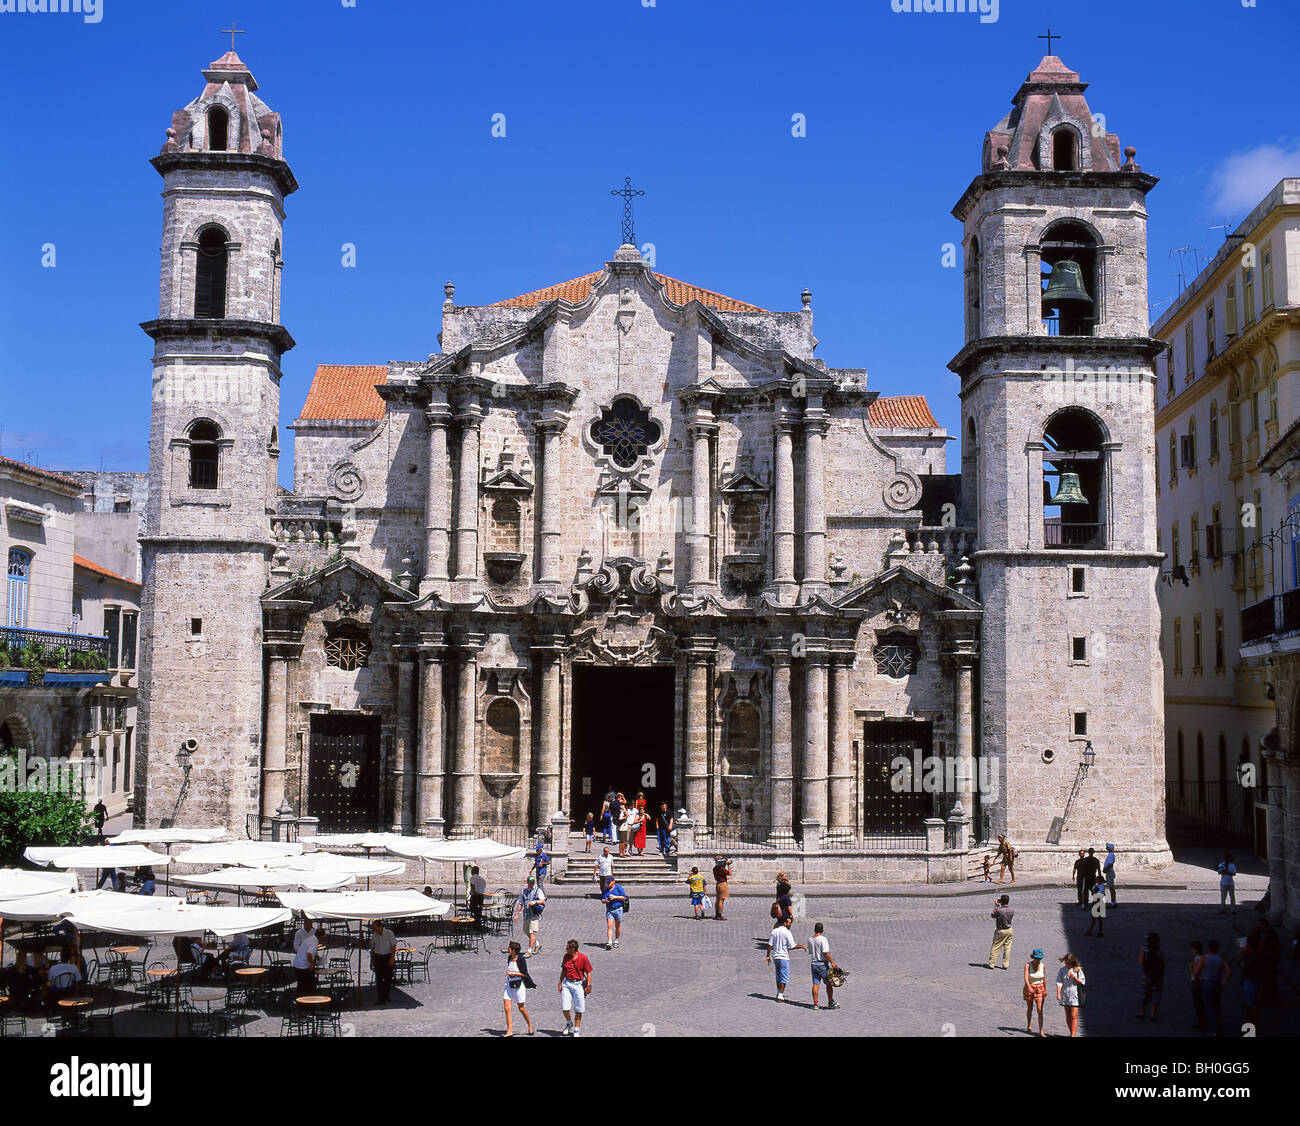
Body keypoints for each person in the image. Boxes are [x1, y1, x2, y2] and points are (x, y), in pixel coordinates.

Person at [558, 938, 593, 1037]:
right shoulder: (566, 957)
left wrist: (589, 985)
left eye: (567, 948)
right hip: (567, 984)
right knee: (565, 1008)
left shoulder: (583, 958)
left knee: (579, 1009)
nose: (566, 949)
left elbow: (589, 972)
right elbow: (564, 970)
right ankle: (569, 1022)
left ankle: (576, 1030)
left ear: (573, 949)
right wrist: (560, 982)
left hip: (578, 985)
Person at [766, 915, 804, 1001]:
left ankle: (778, 991)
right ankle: (780, 995)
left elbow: (770, 945)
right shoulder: (787, 932)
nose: (789, 924)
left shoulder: (774, 931)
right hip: (784, 957)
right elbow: (792, 946)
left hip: (776, 956)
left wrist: (768, 956)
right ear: (784, 923)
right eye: (788, 923)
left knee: (778, 975)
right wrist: (802, 946)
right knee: (784, 976)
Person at [502, 940, 533, 1036]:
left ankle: (530, 1025)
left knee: (521, 1008)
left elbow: (524, 974)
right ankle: (509, 1031)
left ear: (514, 950)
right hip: (509, 984)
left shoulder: (521, 960)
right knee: (507, 1008)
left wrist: (513, 973)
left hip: (519, 985)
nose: (508, 949)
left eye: (510, 948)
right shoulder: (509, 958)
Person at [1201, 939, 1230, 1036]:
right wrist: (1224, 982)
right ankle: (1218, 1027)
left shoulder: (1205, 958)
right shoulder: (1221, 958)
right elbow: (1229, 971)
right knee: (1217, 1006)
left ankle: (1213, 1029)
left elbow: (1197, 971)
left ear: (1208, 948)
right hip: (1217, 984)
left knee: (1209, 1007)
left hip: (1207, 983)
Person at [514, 874, 546, 957]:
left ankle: (529, 950)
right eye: (530, 882)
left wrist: (535, 902)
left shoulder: (537, 890)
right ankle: (537, 945)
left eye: (532, 882)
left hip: (534, 914)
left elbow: (543, 901)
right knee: (526, 931)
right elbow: (520, 903)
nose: (531, 884)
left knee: (532, 932)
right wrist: (516, 914)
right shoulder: (523, 891)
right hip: (526, 914)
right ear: (527, 882)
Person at [809, 922, 839, 1010]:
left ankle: (815, 1003)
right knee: (829, 984)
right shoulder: (823, 939)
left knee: (815, 984)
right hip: (823, 964)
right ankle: (830, 1002)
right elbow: (826, 952)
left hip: (814, 963)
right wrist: (832, 962)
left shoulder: (810, 939)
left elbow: (811, 952)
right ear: (822, 930)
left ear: (814, 930)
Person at [1055, 954, 1085, 1037]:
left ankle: (1073, 1035)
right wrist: (1058, 993)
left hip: (1075, 995)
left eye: (1068, 963)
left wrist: (1074, 977)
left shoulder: (1078, 970)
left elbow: (1082, 983)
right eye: (1065, 962)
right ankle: (1071, 1032)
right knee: (1068, 1015)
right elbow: (1059, 982)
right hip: (1065, 995)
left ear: (1072, 963)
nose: (1066, 964)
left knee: (1074, 1015)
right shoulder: (1062, 970)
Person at [1137, 931, 1164, 1021]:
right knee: (1156, 994)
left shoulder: (1144, 949)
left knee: (1144, 992)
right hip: (1157, 975)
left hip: (1146, 974)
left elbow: (1140, 961)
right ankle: (1153, 1014)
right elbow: (1163, 965)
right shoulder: (1160, 952)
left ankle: (1142, 1012)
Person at [370, 919, 396, 1005]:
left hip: (387, 956)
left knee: (388, 977)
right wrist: (372, 960)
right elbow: (373, 948)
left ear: (380, 926)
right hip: (378, 957)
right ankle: (380, 997)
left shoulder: (389, 933)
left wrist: (392, 958)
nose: (374, 930)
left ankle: (386, 994)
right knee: (379, 978)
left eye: (375, 928)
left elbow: (393, 946)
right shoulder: (374, 935)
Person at [1023, 948, 1047, 1035]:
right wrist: (1029, 987)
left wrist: (1045, 989)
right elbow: (1026, 978)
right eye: (1036, 958)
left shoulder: (1043, 966)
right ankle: (1029, 1025)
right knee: (1030, 1008)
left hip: (1040, 988)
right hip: (1030, 986)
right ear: (1033, 957)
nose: (1038, 960)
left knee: (1040, 1009)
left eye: (1039, 958)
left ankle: (1041, 1030)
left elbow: (1044, 978)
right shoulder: (1028, 965)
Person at [987, 893, 1014, 969]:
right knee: (1007, 948)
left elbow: (993, 915)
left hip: (1001, 930)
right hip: (1009, 929)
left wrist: (996, 905)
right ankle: (1005, 964)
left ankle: (992, 963)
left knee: (995, 947)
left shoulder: (1000, 910)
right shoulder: (1012, 909)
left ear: (1001, 901)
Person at [1188, 941, 1210, 1031]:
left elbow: (1196, 973)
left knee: (1198, 1003)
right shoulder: (1203, 958)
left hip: (1197, 983)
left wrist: (1190, 969)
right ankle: (1205, 1021)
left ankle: (1202, 1022)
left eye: (1192, 948)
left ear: (1196, 949)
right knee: (1202, 1003)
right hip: (1202, 982)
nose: (1191, 950)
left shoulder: (1197, 959)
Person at [602, 878, 628, 950]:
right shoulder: (606, 890)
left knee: (617, 926)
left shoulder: (618, 888)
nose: (608, 884)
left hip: (618, 909)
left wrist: (615, 897)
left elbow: (624, 897)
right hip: (610, 909)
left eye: (609, 882)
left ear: (613, 882)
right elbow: (602, 900)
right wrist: (605, 900)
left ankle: (616, 940)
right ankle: (609, 942)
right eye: (607, 882)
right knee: (610, 926)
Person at [292, 927, 317, 994]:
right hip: (302, 965)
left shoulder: (311, 936)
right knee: (307, 986)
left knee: (302, 985)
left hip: (299, 963)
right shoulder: (314, 941)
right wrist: (312, 963)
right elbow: (308, 954)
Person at [712, 855, 732, 921]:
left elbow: (721, 875)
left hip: (718, 883)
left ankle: (717, 914)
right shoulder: (721, 868)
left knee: (717, 900)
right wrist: (729, 865)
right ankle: (719, 915)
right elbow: (729, 873)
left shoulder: (715, 868)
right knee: (721, 900)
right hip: (723, 884)